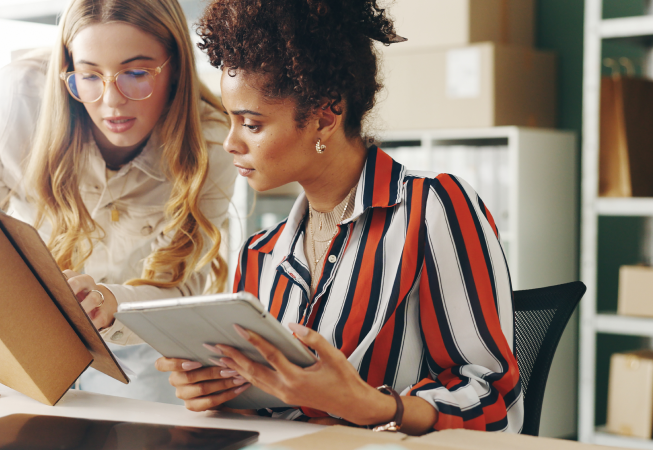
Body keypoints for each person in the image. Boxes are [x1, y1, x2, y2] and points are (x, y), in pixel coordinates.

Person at [156, 0, 523, 434]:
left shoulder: (432, 208)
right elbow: (270, 416)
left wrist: (372, 406)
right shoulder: (260, 254)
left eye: (251, 124)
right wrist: (222, 394)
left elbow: (494, 401)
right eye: (230, 121)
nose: (229, 143)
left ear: (325, 117)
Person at [0, 0, 236, 404]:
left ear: (176, 68)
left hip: (136, 347)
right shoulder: (14, 100)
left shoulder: (214, 144)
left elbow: (182, 291)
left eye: (135, 74)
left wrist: (109, 304)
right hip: (23, 332)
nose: (111, 101)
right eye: (89, 76)